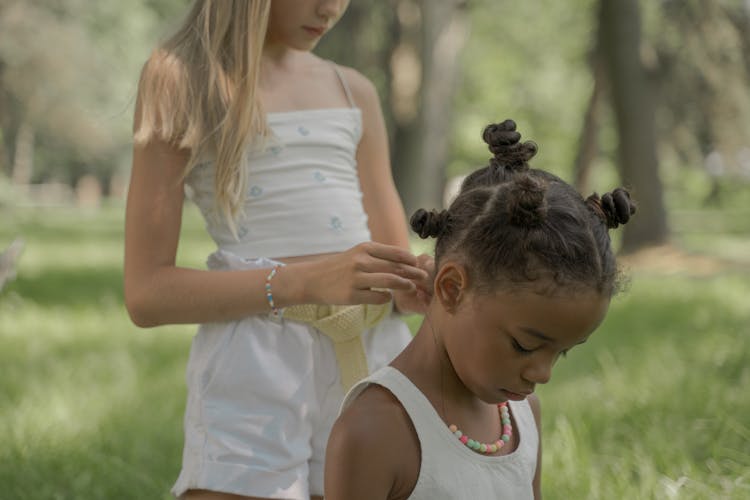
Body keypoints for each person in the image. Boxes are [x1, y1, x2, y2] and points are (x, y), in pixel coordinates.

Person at [124, 1, 432, 499]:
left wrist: (414, 285)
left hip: (371, 359)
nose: (331, 6)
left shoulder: (353, 91)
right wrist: (304, 283)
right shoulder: (179, 80)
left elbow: (393, 266)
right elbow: (146, 294)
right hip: (257, 366)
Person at [324, 119, 637, 500]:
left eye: (562, 352)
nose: (543, 373)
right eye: (524, 346)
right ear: (453, 289)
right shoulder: (376, 430)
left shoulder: (521, 416)